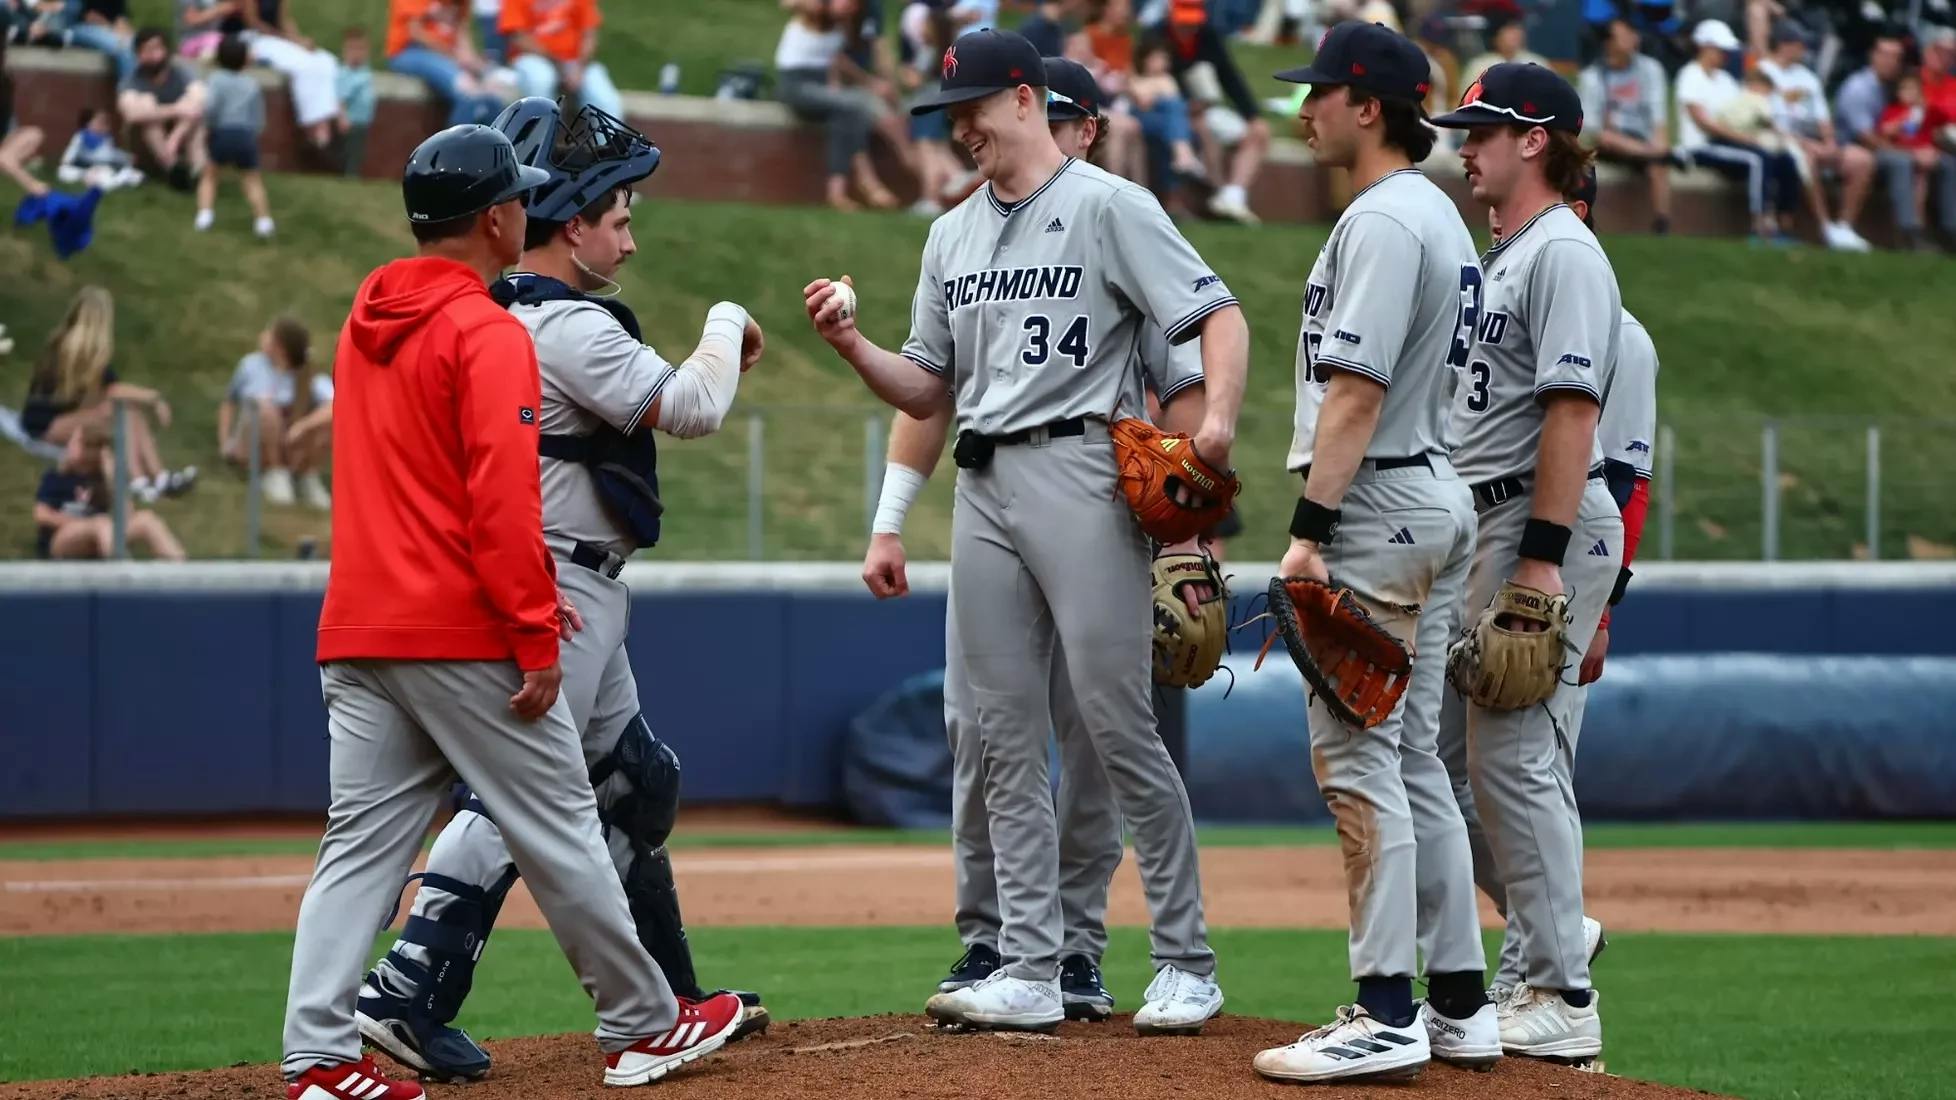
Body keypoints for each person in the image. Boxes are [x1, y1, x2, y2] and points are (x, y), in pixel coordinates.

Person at [280, 122, 746, 1100]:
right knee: (562, 817)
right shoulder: (487, 332)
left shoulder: (364, 315)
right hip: (455, 627)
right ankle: (643, 1024)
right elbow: (500, 500)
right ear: (496, 217)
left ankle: (319, 1059)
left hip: (358, 623)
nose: (526, 211)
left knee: (357, 850)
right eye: (518, 200)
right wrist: (534, 635)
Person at [805, 28, 1248, 1036]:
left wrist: (1214, 436)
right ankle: (1032, 962)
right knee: (995, 730)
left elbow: (1219, 318)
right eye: (944, 115)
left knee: (1111, 717)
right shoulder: (948, 234)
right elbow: (928, 386)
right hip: (985, 481)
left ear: (1022, 96)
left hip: (1083, 469)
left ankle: (1185, 954)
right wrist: (848, 343)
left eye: (967, 108)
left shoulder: (1110, 206)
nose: (956, 128)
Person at [1247, 23, 1493, 1084]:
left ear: (1369, 104)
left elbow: (1355, 390)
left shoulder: (1387, 221)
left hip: (1380, 500)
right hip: (1429, 491)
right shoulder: (1430, 214)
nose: (1303, 109)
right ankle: (1462, 1004)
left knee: (1355, 756)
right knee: (1414, 764)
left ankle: (1386, 1007)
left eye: (1319, 93)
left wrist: (1309, 535)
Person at [1425, 61, 1624, 1063]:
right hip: (1487, 524)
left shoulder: (1564, 254)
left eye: (1484, 129)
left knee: (1514, 760)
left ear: (1535, 137)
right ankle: (1555, 942)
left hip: (1541, 525)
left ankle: (1560, 987)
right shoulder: (1502, 254)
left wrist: (1539, 561)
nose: (1467, 145)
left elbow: (1573, 412)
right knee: (1465, 767)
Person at [22, 285, 196, 502]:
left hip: (67, 415)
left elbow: (109, 387)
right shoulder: (67, 346)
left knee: (128, 410)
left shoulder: (84, 347)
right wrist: (153, 398)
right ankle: (138, 479)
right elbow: (111, 390)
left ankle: (159, 477)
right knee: (116, 409)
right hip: (45, 424)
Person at [1673, 19, 1807, 244]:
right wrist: (1745, 139)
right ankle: (1759, 227)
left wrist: (1774, 131)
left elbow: (1744, 110)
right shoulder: (1690, 75)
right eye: (1721, 50)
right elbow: (1703, 121)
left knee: (1786, 160)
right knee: (1757, 158)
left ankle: (1785, 226)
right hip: (1702, 146)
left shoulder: (1725, 80)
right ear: (1705, 47)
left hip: (1731, 142)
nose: (1725, 55)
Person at [775, 0, 903, 211]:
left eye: (855, 6)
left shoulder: (842, 27)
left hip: (822, 87)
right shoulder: (811, 16)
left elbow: (834, 62)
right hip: (796, 85)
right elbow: (788, 3)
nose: (850, 8)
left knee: (848, 116)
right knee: (854, 105)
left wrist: (860, 83)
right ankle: (868, 183)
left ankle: (837, 192)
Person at [1758, 21, 1874, 251]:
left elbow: (1822, 117)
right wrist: (1804, 143)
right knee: (1804, 160)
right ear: (1784, 45)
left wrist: (1830, 143)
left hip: (1814, 139)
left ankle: (1845, 227)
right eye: (1800, 44)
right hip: (1781, 140)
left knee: (1862, 159)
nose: (1805, 49)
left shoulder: (1807, 77)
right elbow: (1762, 119)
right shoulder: (1761, 72)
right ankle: (1825, 227)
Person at [1160, 0, 1268, 223]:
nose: (1188, 28)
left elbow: (1229, 76)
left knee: (1259, 132)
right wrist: (1187, 105)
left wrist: (1252, 115)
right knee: (1202, 128)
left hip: (1206, 108)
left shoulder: (1208, 36)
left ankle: (1232, 196)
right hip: (1172, 113)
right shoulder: (1157, 37)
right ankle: (1217, 192)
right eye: (1183, 21)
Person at [217, 314, 332, 509]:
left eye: (269, 334)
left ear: (280, 348)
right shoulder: (251, 365)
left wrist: (303, 427)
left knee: (329, 422)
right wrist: (225, 442)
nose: (263, 336)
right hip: (254, 443)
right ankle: (274, 473)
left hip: (290, 442)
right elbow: (229, 402)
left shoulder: (306, 375)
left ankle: (305, 475)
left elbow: (336, 404)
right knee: (264, 408)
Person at [33, 420, 188, 561]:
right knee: (101, 522)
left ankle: (182, 572)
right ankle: (124, 579)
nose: (69, 447)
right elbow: (42, 515)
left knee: (146, 519)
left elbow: (128, 517)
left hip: (102, 535)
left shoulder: (101, 478)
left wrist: (111, 476)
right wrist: (86, 524)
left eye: (76, 442)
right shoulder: (57, 477)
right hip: (61, 540)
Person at [1577, 17, 1673, 234]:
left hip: (1641, 139)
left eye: (1632, 34)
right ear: (1608, 43)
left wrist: (1659, 145)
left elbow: (1658, 117)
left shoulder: (1650, 69)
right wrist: (1651, 151)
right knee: (1649, 155)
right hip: (1608, 142)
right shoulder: (1593, 77)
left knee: (1659, 165)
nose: (1632, 39)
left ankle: (1662, 223)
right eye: (1624, 36)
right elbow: (1594, 130)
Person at [236, 0, 346, 152]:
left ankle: (324, 117)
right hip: (256, 38)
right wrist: (284, 37)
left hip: (279, 38)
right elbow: (252, 21)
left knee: (324, 60)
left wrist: (299, 40)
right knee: (300, 66)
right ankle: (312, 123)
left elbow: (284, 20)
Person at [196, 33, 275, 238]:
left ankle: (205, 215)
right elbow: (259, 117)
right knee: (252, 179)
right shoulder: (252, 84)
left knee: (210, 175)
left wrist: (208, 126)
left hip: (222, 133)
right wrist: (254, 133)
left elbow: (211, 108)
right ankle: (263, 221)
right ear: (245, 60)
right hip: (245, 135)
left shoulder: (216, 80)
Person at [386, 0, 504, 127]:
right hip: (409, 52)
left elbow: (461, 33)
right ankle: (454, 145)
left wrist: (475, 64)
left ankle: (492, 143)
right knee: (465, 88)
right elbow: (415, 32)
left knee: (492, 93)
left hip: (448, 56)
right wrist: (453, 56)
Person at [499, 0, 623, 119]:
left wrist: (579, 67)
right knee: (540, 79)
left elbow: (589, 35)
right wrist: (560, 65)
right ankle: (541, 136)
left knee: (605, 99)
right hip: (534, 58)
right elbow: (518, 37)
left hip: (576, 62)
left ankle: (608, 140)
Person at [117, 27, 207, 191]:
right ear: (138, 55)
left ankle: (198, 172)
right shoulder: (131, 80)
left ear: (166, 51)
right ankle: (172, 168)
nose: (152, 55)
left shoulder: (181, 71)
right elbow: (131, 114)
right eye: (145, 50)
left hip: (180, 130)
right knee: (146, 105)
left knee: (195, 110)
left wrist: (175, 137)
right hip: (145, 137)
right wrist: (176, 109)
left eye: (156, 49)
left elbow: (201, 100)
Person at [58, 106, 144, 191]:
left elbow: (110, 155)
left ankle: (122, 178)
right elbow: (72, 151)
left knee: (109, 173)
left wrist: (126, 157)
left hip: (103, 167)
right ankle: (119, 180)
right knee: (64, 172)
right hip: (83, 167)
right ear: (88, 123)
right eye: (99, 122)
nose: (103, 125)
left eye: (105, 122)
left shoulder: (106, 138)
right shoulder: (81, 136)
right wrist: (66, 161)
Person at [1459, 16, 1549, 87]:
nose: (1515, 35)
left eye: (1517, 29)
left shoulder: (1538, 63)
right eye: (1509, 30)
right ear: (1495, 37)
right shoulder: (1479, 65)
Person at [337, 25, 377, 176]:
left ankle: (353, 172)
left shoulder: (364, 71)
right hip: (351, 121)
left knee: (358, 150)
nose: (357, 54)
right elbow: (340, 99)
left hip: (363, 120)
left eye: (361, 49)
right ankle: (349, 174)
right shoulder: (346, 74)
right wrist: (343, 118)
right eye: (353, 49)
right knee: (350, 150)